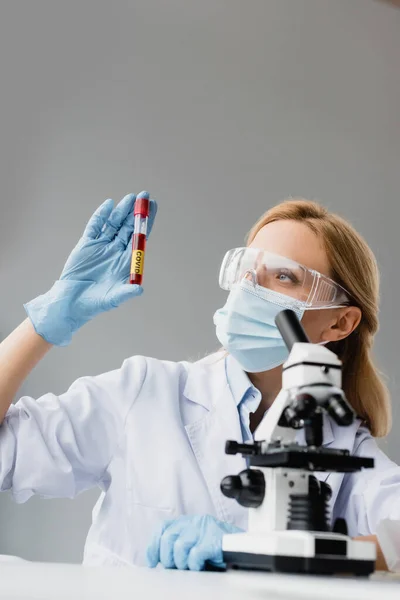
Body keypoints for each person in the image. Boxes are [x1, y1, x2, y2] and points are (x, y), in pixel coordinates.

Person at [0, 191, 398, 571]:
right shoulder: (144, 392)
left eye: (283, 276)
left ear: (339, 322)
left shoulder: (341, 443)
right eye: (247, 268)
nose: (249, 286)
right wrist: (43, 325)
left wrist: (250, 551)